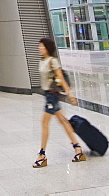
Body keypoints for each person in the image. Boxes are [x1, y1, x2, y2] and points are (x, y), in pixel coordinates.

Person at [33, 37, 85, 167]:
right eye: (39, 46)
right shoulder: (43, 60)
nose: (40, 48)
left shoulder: (52, 61)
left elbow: (60, 78)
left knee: (44, 122)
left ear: (48, 48)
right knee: (63, 121)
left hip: (52, 96)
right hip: (48, 95)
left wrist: (70, 95)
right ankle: (78, 149)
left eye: (42, 47)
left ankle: (42, 155)